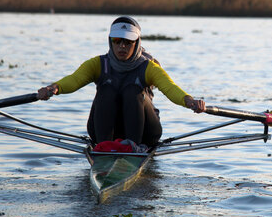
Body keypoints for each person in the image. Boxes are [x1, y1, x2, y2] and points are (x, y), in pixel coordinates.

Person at [37, 16, 205, 150]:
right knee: (106, 90)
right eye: (117, 41)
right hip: (107, 129)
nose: (122, 46)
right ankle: (104, 148)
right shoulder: (98, 64)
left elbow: (171, 88)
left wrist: (189, 101)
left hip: (145, 132)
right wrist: (53, 88)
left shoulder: (149, 67)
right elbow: (74, 80)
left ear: (137, 43)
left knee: (133, 90)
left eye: (128, 41)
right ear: (111, 41)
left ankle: (134, 148)